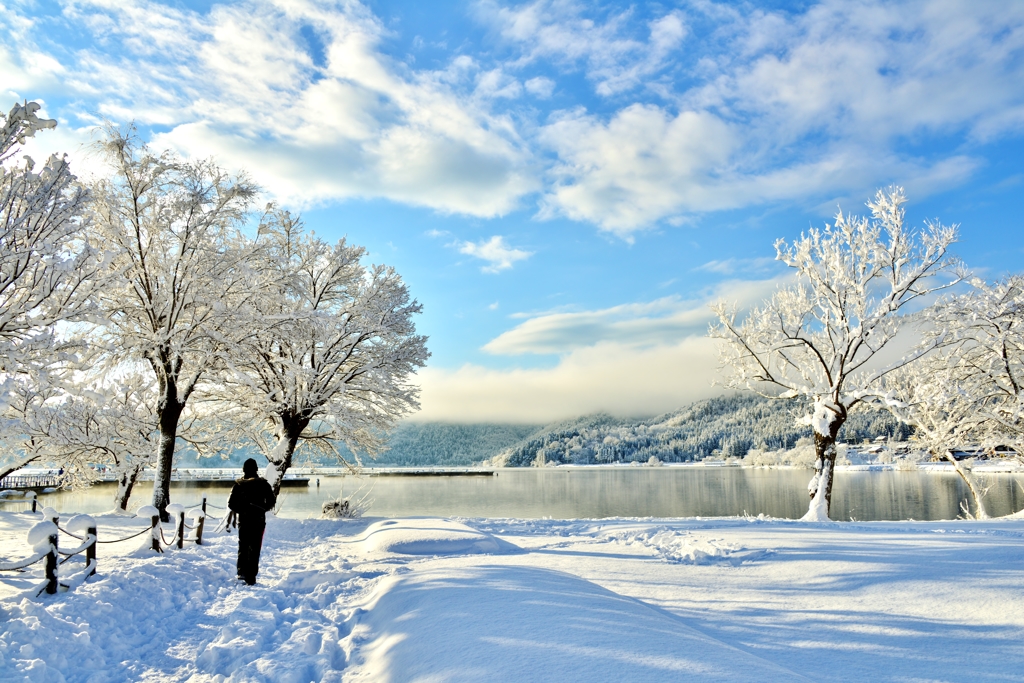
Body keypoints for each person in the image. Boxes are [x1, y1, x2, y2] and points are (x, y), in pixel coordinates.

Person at [228, 459, 276, 585]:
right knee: (255, 547)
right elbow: (271, 501)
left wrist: (242, 510)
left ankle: (241, 572)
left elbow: (231, 504)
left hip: (244, 521)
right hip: (259, 520)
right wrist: (262, 509)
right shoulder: (264, 484)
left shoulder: (238, 485)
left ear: (244, 469)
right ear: (256, 469)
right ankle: (251, 576)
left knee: (243, 545)